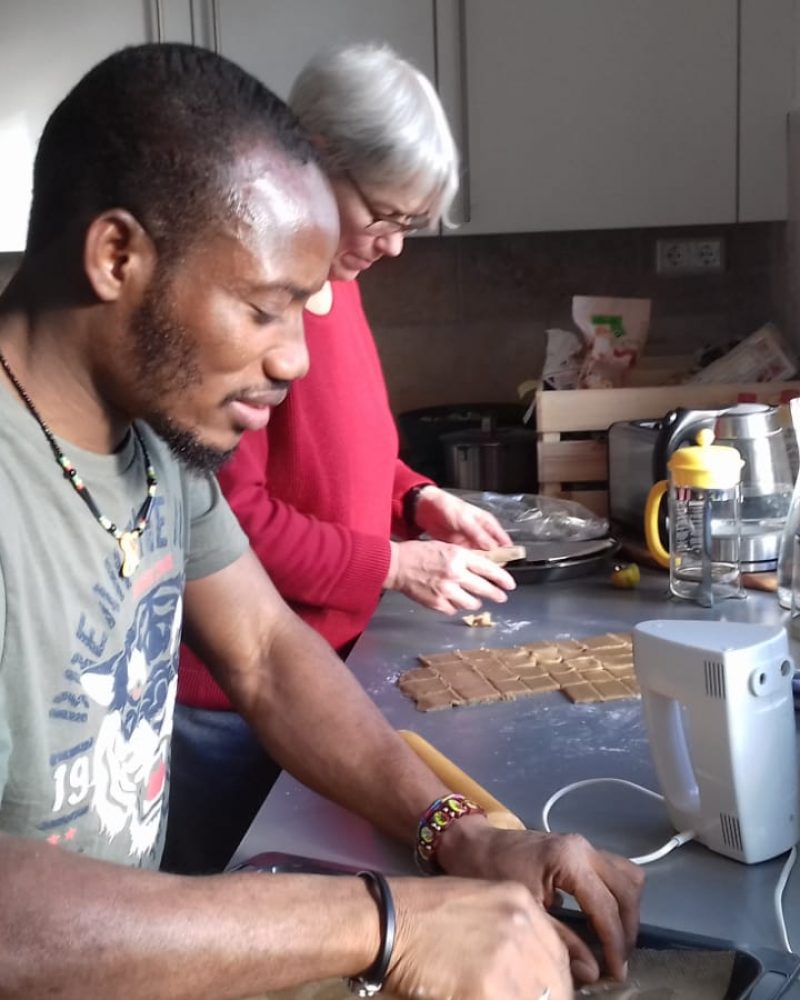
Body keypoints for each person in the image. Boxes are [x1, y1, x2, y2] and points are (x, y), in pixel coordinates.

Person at [0, 42, 642, 1000]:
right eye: (267, 308)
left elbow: (265, 651)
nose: (295, 359)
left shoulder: (151, 444)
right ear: (117, 257)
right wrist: (389, 924)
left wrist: (460, 834)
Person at [169, 42, 522, 874]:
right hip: (231, 709)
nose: (395, 246)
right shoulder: (251, 311)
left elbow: (351, 451)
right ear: (315, 158)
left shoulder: (340, 288)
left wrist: (418, 498)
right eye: (386, 216)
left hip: (318, 676)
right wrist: (394, 565)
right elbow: (236, 524)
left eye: (410, 225)